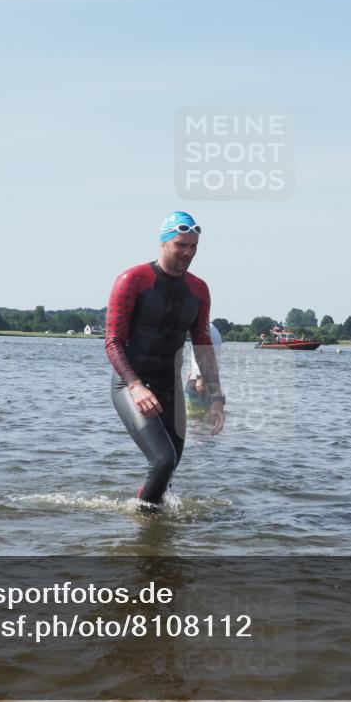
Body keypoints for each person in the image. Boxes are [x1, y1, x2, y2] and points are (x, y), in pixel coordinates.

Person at [105, 212, 225, 509]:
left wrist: (218, 397)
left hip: (169, 387)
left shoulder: (199, 289)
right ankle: (148, 536)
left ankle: (145, 516)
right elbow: (113, 342)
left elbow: (202, 345)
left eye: (193, 246)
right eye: (181, 245)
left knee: (168, 469)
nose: (188, 253)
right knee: (162, 459)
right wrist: (135, 386)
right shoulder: (132, 280)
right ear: (163, 242)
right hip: (130, 383)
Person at [185, 323, 222, 415]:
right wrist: (192, 369)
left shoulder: (201, 329)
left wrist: (199, 377)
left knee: (193, 420)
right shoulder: (213, 329)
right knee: (207, 419)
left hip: (198, 382)